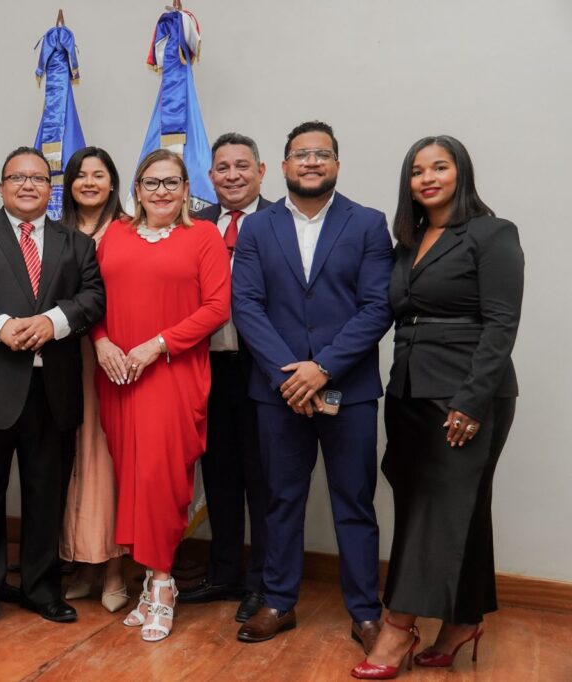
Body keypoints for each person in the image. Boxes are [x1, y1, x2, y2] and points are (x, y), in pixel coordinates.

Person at [351, 136, 524, 679]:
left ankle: (398, 626)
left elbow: (502, 323)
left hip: (467, 393)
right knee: (448, 509)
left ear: (460, 172)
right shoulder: (408, 242)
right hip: (408, 389)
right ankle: (463, 620)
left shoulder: (493, 233)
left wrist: (471, 401)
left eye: (439, 167)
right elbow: (390, 311)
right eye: (417, 170)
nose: (427, 178)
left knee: (436, 512)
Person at [232, 121, 393, 648]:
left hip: (350, 389)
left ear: (337, 164)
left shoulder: (367, 223)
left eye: (322, 153)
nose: (311, 161)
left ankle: (365, 613)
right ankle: (279, 603)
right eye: (301, 154)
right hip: (277, 391)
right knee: (281, 499)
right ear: (283, 166)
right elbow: (246, 306)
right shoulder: (257, 228)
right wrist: (291, 375)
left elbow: (377, 307)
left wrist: (321, 369)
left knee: (355, 501)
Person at [0, 146, 105, 636]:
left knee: (45, 497)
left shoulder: (77, 244)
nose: (28, 185)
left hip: (51, 390)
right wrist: (1, 326)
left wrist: (53, 322)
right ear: (1, 186)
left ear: (51, 189)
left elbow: (94, 297)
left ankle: (42, 590)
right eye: (17, 177)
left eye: (38, 178)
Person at [93, 149, 230, 642]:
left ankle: (163, 583)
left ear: (187, 189)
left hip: (172, 373)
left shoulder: (204, 236)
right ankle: (150, 582)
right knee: (131, 476)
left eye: (172, 182)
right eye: (151, 183)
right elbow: (93, 298)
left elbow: (217, 307)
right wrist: (101, 342)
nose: (162, 192)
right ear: (136, 189)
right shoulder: (115, 234)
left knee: (160, 478)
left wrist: (157, 345)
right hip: (117, 375)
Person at [178, 133, 271, 624]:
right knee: (218, 475)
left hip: (264, 370)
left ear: (261, 171)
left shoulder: (280, 222)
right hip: (207, 368)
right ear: (209, 176)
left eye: (242, 166)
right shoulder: (195, 226)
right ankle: (224, 573)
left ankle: (262, 582)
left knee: (264, 479)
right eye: (222, 168)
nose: (232, 175)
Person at [55, 147, 129, 613]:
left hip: (113, 355)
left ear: (112, 182)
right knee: (72, 460)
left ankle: (115, 567)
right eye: (80, 175)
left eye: (98, 175)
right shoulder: (54, 231)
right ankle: (83, 563)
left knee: (105, 460)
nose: (88, 182)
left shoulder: (128, 230)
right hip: (63, 357)